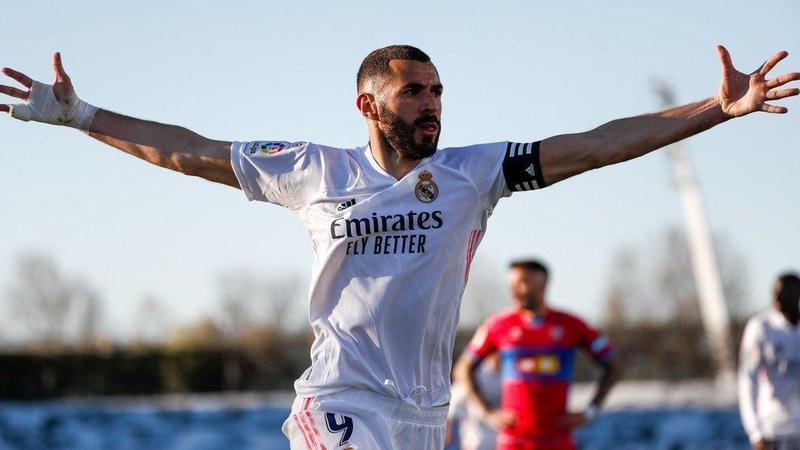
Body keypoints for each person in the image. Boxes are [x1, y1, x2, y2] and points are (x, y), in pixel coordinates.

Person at [1, 44, 797, 450]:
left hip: (426, 413)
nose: (431, 105)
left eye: (438, 91)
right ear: (368, 102)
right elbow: (189, 148)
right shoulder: (314, 169)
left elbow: (595, 143)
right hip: (341, 400)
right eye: (413, 90)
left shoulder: (473, 173)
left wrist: (714, 111)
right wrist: (81, 116)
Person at [453, 260, 619, 450]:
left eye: (523, 282)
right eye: (512, 285)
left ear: (543, 283)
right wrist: (487, 413)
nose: (515, 291)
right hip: (513, 441)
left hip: (557, 441)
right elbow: (462, 369)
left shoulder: (571, 325)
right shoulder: (498, 325)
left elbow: (613, 366)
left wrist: (589, 412)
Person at [739, 272, 800, 450]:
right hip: (772, 432)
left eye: (784, 292)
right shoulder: (761, 328)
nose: (777, 297)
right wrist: (755, 432)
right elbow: (747, 381)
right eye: (775, 292)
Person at [446, 353, 503, 450]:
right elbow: (451, 406)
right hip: (475, 442)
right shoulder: (473, 377)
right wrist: (447, 430)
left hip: (501, 442)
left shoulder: (510, 378)